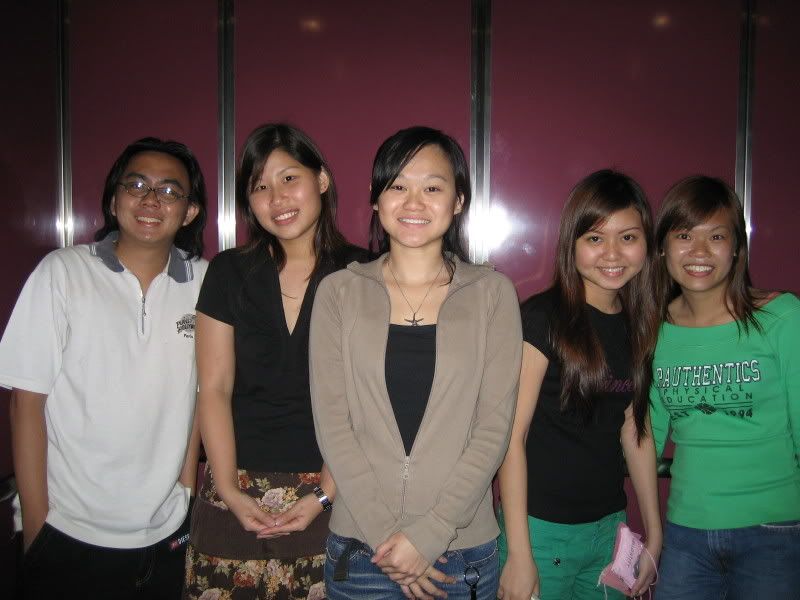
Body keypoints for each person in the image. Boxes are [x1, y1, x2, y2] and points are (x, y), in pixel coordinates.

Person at [310, 125, 522, 600]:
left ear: (458, 200)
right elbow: (333, 424)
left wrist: (431, 533)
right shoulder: (338, 293)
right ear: (376, 199)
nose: (413, 202)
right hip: (363, 550)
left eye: (432, 188)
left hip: (461, 551)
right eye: (397, 186)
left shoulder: (492, 294)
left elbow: (493, 428)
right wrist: (388, 537)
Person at [0, 137, 208, 598]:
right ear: (114, 201)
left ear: (189, 211)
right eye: (136, 185)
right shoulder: (62, 272)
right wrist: (36, 528)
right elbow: (25, 404)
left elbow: (202, 394)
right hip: (66, 530)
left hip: (165, 532)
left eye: (169, 190)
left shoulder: (205, 282)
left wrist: (186, 490)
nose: (151, 200)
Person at [183, 123, 369, 600]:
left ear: (321, 180)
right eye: (260, 186)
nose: (277, 197)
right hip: (234, 482)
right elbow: (214, 387)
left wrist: (325, 492)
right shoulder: (228, 271)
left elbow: (367, 401)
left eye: (289, 178)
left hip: (335, 487)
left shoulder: (363, 274)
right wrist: (228, 489)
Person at [497, 170, 662, 600]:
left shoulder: (640, 325)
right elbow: (512, 438)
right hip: (539, 531)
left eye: (628, 237)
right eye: (595, 238)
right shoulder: (542, 318)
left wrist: (654, 533)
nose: (612, 253)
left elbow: (636, 429)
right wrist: (519, 554)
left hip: (608, 532)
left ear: (646, 243)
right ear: (572, 243)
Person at [649, 176, 800, 599]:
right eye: (684, 236)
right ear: (662, 248)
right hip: (686, 534)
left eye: (716, 236)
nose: (699, 251)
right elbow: (647, 436)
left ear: (736, 249)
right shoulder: (654, 330)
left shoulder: (782, 318)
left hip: (774, 532)